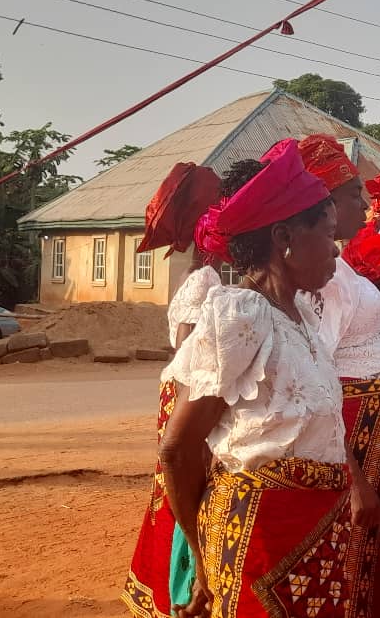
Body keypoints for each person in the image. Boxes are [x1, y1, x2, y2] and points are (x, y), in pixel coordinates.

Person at [160, 140, 378, 618]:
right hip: (258, 538)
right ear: (285, 237)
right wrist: (198, 557)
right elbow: (178, 447)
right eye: (328, 237)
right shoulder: (241, 313)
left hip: (317, 533)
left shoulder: (299, 316)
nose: (336, 255)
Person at [302, 135, 380, 618]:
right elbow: (318, 375)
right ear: (326, 202)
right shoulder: (325, 278)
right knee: (351, 551)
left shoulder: (338, 268)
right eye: (354, 193)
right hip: (355, 437)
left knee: (371, 555)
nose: (366, 202)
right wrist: (353, 479)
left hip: (378, 435)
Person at [123, 162, 221, 618]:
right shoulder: (205, 282)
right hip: (188, 391)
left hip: (181, 391)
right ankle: (185, 592)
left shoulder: (200, 279)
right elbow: (189, 353)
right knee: (193, 493)